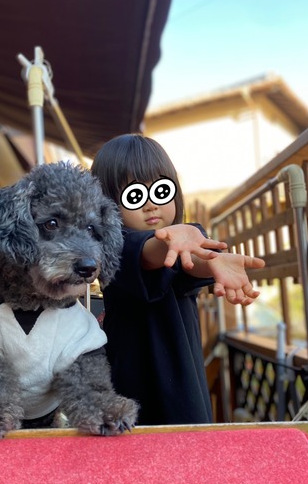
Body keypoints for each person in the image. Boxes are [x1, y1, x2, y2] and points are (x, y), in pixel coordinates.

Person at [91, 133, 265, 426]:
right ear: (107, 203)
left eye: (160, 190)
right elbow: (151, 252)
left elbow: (191, 263)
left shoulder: (187, 239)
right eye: (134, 195)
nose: (150, 205)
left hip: (185, 393)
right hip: (131, 394)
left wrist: (213, 262)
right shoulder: (114, 248)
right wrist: (174, 240)